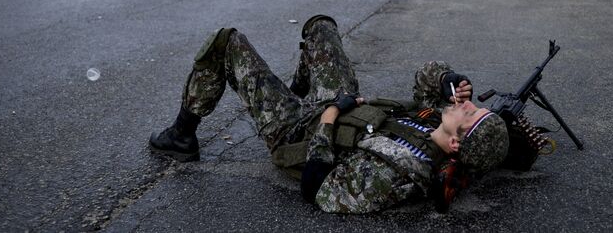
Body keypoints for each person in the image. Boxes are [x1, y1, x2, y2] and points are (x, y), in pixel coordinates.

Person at [149, 15, 509, 214]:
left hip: (297, 132)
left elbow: (316, 187)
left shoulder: (397, 172)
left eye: (470, 112)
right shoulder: (433, 124)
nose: (466, 103)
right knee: (320, 26)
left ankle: (182, 134)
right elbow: (427, 78)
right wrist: (449, 79)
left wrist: (330, 116)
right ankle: (291, 94)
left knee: (226, 41)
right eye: (472, 103)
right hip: (335, 106)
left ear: (458, 142)